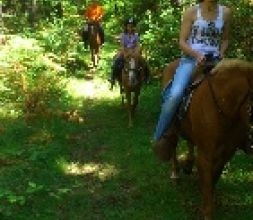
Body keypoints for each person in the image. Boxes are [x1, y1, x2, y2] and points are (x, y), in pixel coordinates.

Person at [153, 1, 232, 150]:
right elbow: (182, 42)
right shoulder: (191, 12)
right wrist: (196, 55)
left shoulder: (226, 12)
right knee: (175, 95)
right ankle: (161, 135)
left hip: (216, 61)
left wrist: (221, 53)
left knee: (237, 90)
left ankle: (242, 137)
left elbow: (226, 39)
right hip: (191, 60)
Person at [109, 18, 150, 87]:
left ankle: (146, 77)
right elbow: (122, 45)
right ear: (126, 27)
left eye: (132, 26)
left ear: (134, 27)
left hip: (134, 52)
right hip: (125, 51)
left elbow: (137, 45)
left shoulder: (136, 35)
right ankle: (113, 78)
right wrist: (126, 53)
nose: (130, 28)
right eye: (129, 26)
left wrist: (136, 52)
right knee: (117, 60)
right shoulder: (123, 35)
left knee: (143, 61)